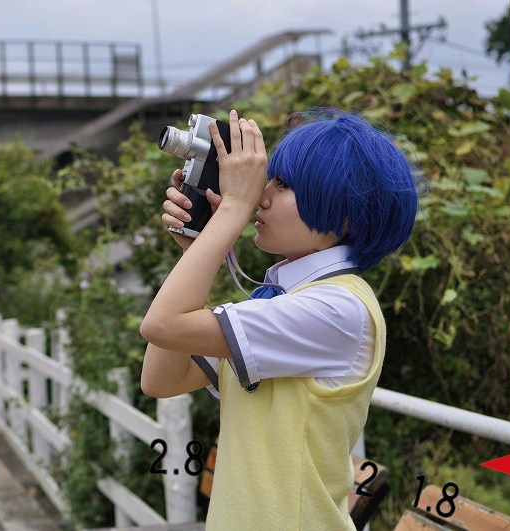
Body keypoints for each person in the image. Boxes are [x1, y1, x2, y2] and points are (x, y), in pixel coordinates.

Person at [139, 108, 421, 530]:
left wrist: (232, 210)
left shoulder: (336, 310)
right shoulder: (285, 300)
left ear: (343, 214)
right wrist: (195, 249)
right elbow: (162, 378)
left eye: (283, 184)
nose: (261, 195)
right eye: (268, 178)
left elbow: (161, 325)